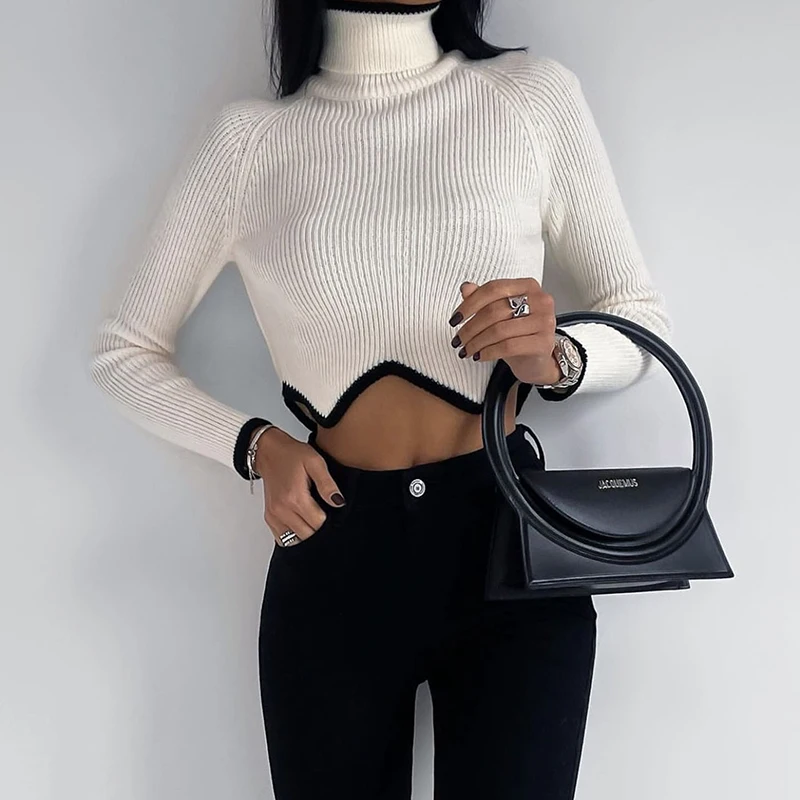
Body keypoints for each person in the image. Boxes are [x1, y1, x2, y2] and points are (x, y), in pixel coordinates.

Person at [90, 0, 672, 797]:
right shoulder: (250, 144)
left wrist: (560, 355)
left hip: (510, 539)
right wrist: (256, 445)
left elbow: (639, 319)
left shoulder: (529, 99)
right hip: (335, 549)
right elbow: (122, 350)